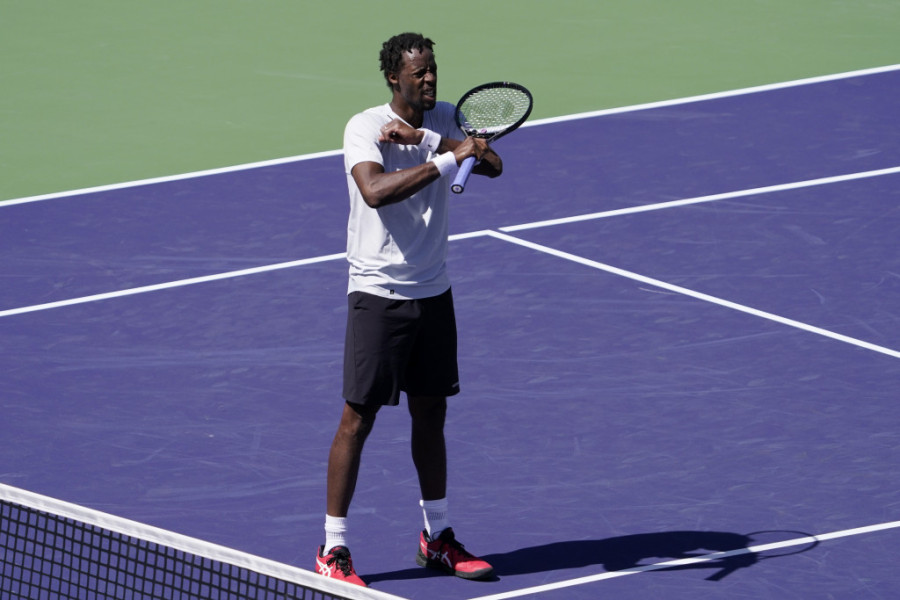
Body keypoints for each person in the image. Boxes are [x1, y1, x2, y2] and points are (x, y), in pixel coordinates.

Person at [314, 32, 502, 588]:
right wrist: (446, 158)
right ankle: (333, 548)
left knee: (431, 413)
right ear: (394, 78)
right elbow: (375, 191)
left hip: (433, 290)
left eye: (433, 69)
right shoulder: (363, 126)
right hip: (378, 293)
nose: (430, 78)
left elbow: (492, 163)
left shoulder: (444, 118)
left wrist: (428, 139)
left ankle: (437, 536)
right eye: (419, 72)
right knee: (358, 419)